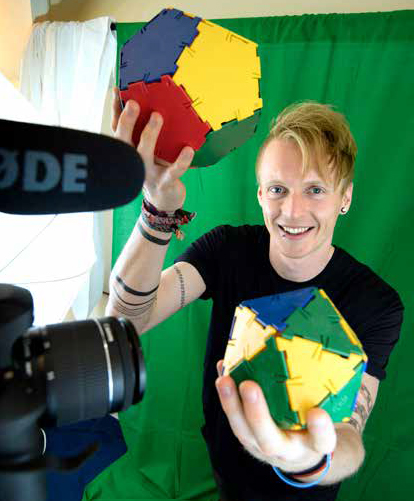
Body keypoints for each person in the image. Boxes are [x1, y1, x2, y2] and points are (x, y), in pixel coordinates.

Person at [106, 90, 404, 501]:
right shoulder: (227, 250)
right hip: (226, 475)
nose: (293, 211)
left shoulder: (376, 302)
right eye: (279, 189)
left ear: (345, 198)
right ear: (261, 194)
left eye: (315, 190)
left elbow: (351, 434)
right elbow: (125, 321)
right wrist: (157, 210)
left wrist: (306, 458)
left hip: (305, 492)